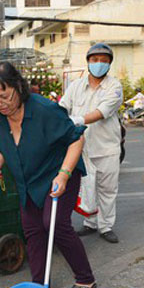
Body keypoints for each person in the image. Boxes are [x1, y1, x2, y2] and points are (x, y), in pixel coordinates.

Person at [0, 61, 97, 288]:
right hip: (29, 181)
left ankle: (86, 279)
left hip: (58, 174)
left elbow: (76, 140)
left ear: (18, 87)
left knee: (55, 224)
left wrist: (64, 174)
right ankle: (39, 285)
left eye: (4, 95)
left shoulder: (44, 109)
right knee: (33, 230)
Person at [60, 43, 124, 243]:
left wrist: (78, 120)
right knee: (87, 188)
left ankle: (106, 226)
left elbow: (102, 111)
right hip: (82, 148)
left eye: (104, 61)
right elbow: (63, 107)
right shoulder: (76, 86)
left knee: (107, 189)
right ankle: (90, 222)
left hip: (107, 148)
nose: (99, 64)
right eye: (95, 60)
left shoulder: (114, 87)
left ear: (109, 65)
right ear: (88, 62)